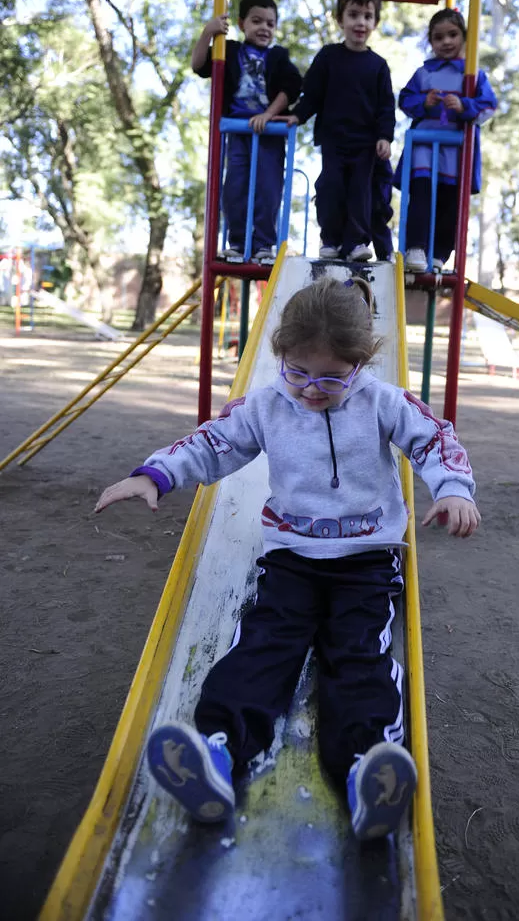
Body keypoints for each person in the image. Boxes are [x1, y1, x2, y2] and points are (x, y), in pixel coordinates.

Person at [95, 277, 479, 839]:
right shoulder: (267, 405)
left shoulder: (382, 401)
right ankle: (218, 755)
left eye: (331, 377)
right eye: (298, 372)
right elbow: (213, 442)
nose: (311, 389)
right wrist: (154, 475)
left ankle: (364, 771)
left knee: (357, 657)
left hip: (366, 561)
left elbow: (433, 438)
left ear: (360, 363)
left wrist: (453, 489)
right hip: (292, 557)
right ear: (281, 356)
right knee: (263, 645)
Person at [287, 0, 395, 263]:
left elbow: (386, 106)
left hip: (365, 144)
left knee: (361, 193)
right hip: (334, 140)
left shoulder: (378, 66)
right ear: (340, 19)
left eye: (367, 16)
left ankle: (357, 242)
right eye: (353, 15)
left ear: (375, 22)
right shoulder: (328, 57)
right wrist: (297, 116)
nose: (361, 22)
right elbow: (312, 93)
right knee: (330, 187)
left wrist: (385, 136)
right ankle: (330, 240)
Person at [192, 0, 302, 263]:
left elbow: (292, 88)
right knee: (235, 187)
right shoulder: (229, 51)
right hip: (239, 132)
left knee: (268, 187)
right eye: (257, 21)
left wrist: (268, 114)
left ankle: (264, 244)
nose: (264, 28)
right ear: (242, 24)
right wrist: (208, 32)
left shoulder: (278, 57)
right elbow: (198, 65)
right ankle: (239, 243)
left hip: (268, 134)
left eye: (270, 24)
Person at [396, 8, 497, 273]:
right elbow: (404, 100)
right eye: (439, 37)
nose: (447, 42)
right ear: (431, 42)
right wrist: (424, 101)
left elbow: (488, 107)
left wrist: (464, 105)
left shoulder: (473, 75)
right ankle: (415, 248)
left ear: (464, 37)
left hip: (456, 156)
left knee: (451, 205)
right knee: (421, 197)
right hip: (424, 152)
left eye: (452, 35)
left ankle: (439, 254)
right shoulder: (423, 73)